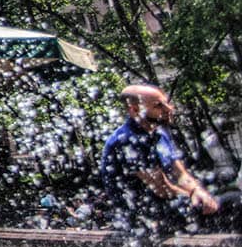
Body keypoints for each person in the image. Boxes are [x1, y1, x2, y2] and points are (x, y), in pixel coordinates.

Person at [99, 83, 242, 238]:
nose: (169, 109)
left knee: (232, 198)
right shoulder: (127, 140)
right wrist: (196, 198)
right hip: (144, 217)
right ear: (134, 110)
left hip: (166, 206)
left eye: (167, 102)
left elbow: (180, 174)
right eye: (159, 106)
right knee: (234, 204)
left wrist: (197, 191)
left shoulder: (159, 132)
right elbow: (161, 189)